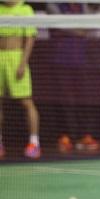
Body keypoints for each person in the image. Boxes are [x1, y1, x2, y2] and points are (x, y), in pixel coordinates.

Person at [46, 2, 100, 153]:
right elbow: (62, 24)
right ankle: (65, 136)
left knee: (84, 98)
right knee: (64, 99)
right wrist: (79, 30)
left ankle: (85, 136)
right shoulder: (53, 5)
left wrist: (79, 30)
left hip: (80, 59)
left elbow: (90, 25)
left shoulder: (82, 5)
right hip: (60, 59)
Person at [0, 0, 41, 159]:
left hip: (16, 57)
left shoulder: (25, 9)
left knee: (26, 101)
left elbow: (30, 38)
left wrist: (23, 62)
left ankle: (34, 142)